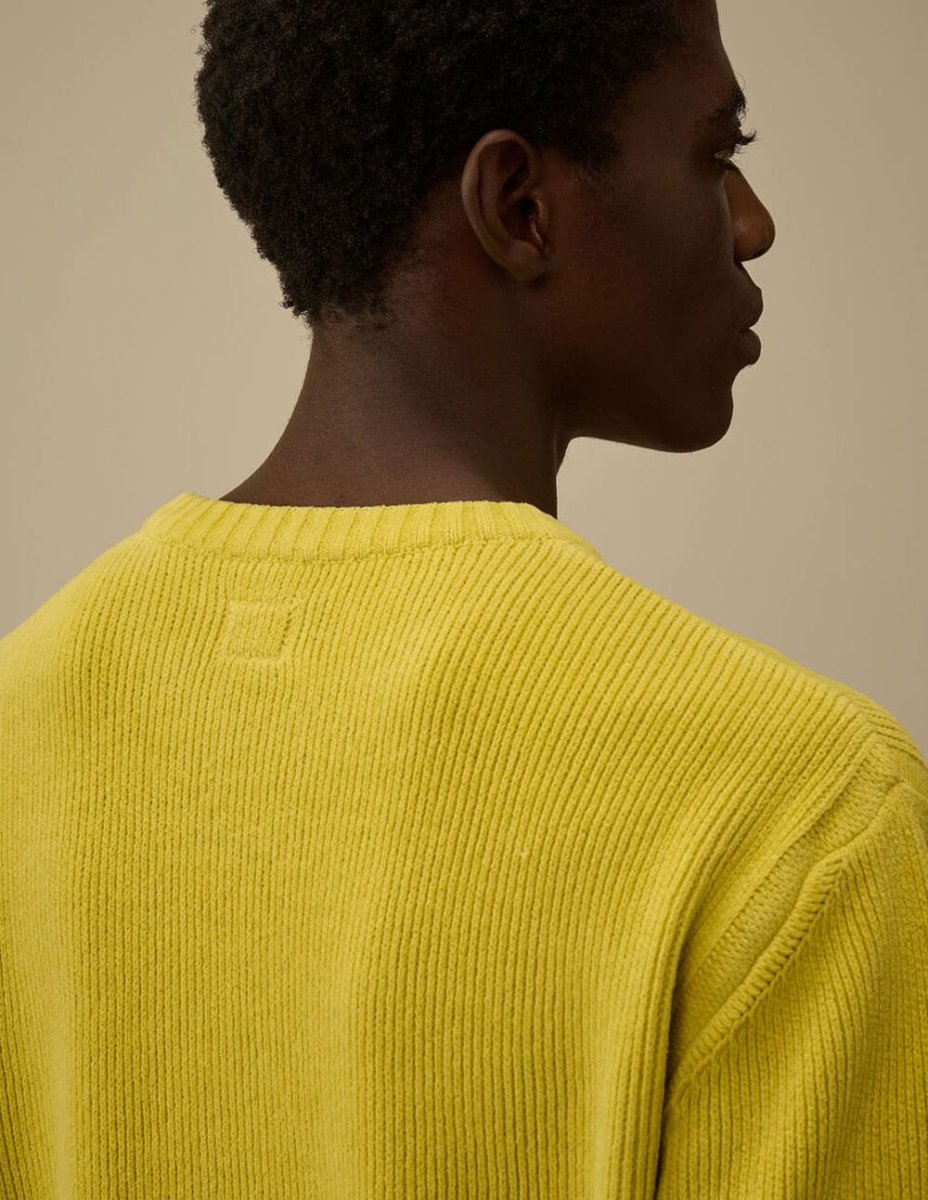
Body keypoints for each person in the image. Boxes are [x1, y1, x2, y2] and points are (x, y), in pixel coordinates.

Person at [2, 0, 925, 1196]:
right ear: (519, 206)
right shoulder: (802, 810)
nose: (752, 224)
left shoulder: (24, 717)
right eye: (716, 154)